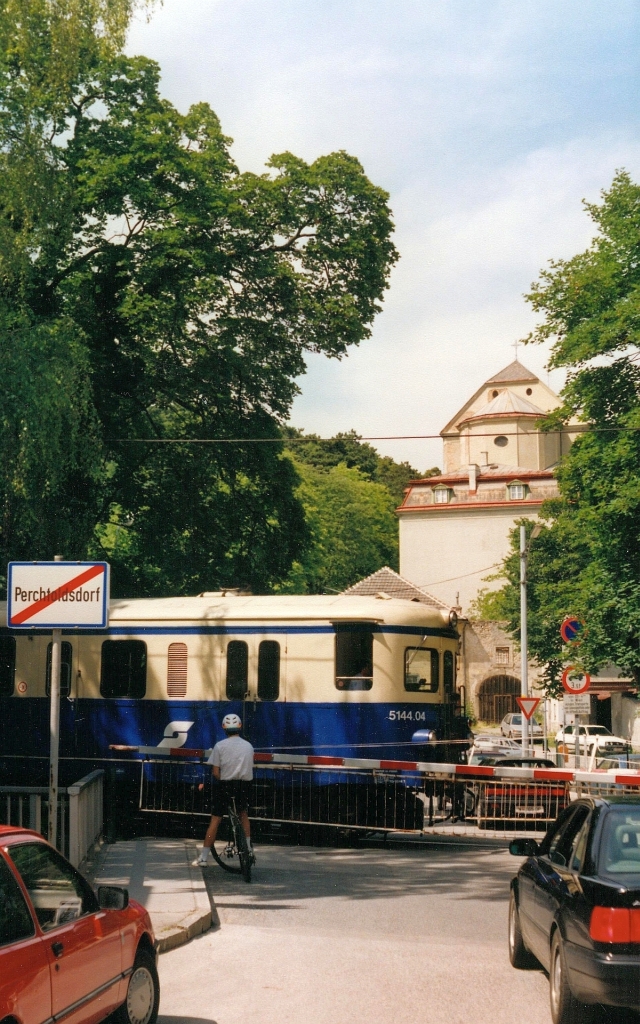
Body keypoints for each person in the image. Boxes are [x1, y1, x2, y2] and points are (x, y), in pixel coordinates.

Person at [193, 713, 255, 867]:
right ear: (239, 727)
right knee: (243, 814)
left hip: (225, 786)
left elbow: (215, 772)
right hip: (244, 786)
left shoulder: (220, 746)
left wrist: (223, 779)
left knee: (215, 820)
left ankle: (204, 858)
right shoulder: (249, 746)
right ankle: (249, 849)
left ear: (223, 728)